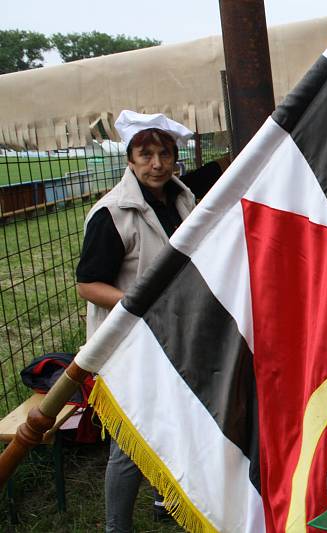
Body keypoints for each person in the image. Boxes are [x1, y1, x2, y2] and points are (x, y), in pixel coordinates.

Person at [76, 110, 226, 532]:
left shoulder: (181, 198)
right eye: (146, 154)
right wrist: (141, 305)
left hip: (179, 334)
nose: (157, 163)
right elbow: (88, 284)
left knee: (178, 423)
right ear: (130, 159)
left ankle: (167, 499)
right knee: (130, 442)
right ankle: (115, 526)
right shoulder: (112, 214)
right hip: (130, 343)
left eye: (165, 153)